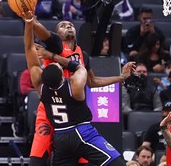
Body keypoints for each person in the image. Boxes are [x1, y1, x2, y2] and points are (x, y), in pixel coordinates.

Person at [15, 11, 136, 165]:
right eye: (63, 26)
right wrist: (31, 20)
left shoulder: (83, 55)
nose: (69, 27)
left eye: (71, 25)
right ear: (57, 34)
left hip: (69, 110)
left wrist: (121, 78)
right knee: (37, 159)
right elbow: (39, 31)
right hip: (50, 109)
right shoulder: (56, 45)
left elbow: (92, 82)